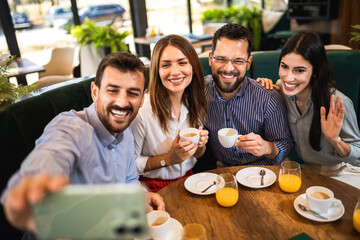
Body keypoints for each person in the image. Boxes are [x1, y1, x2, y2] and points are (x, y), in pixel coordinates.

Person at [1, 52, 165, 235]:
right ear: (95, 92)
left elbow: (129, 180)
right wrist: (39, 180)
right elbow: (55, 150)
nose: (121, 102)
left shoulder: (125, 130)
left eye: (133, 93)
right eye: (112, 90)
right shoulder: (73, 127)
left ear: (142, 99)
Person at [257, 31, 360, 188]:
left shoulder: (339, 103)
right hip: (307, 172)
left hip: (342, 173)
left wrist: (335, 140)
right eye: (284, 67)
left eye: (299, 70)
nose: (288, 77)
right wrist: (264, 87)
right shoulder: (281, 89)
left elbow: (358, 156)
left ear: (315, 72)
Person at [205, 23, 293, 167]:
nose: (228, 68)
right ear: (210, 59)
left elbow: (286, 144)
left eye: (238, 61)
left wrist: (267, 147)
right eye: (221, 59)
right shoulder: (198, 92)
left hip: (266, 168)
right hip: (223, 170)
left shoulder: (268, 97)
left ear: (248, 63)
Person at [130, 35, 209, 192]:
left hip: (189, 180)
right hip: (151, 187)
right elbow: (129, 164)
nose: (175, 72)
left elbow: (197, 155)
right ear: (156, 71)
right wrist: (167, 159)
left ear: (193, 66)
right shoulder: (142, 111)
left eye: (182, 63)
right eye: (166, 65)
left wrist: (200, 145)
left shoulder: (196, 102)